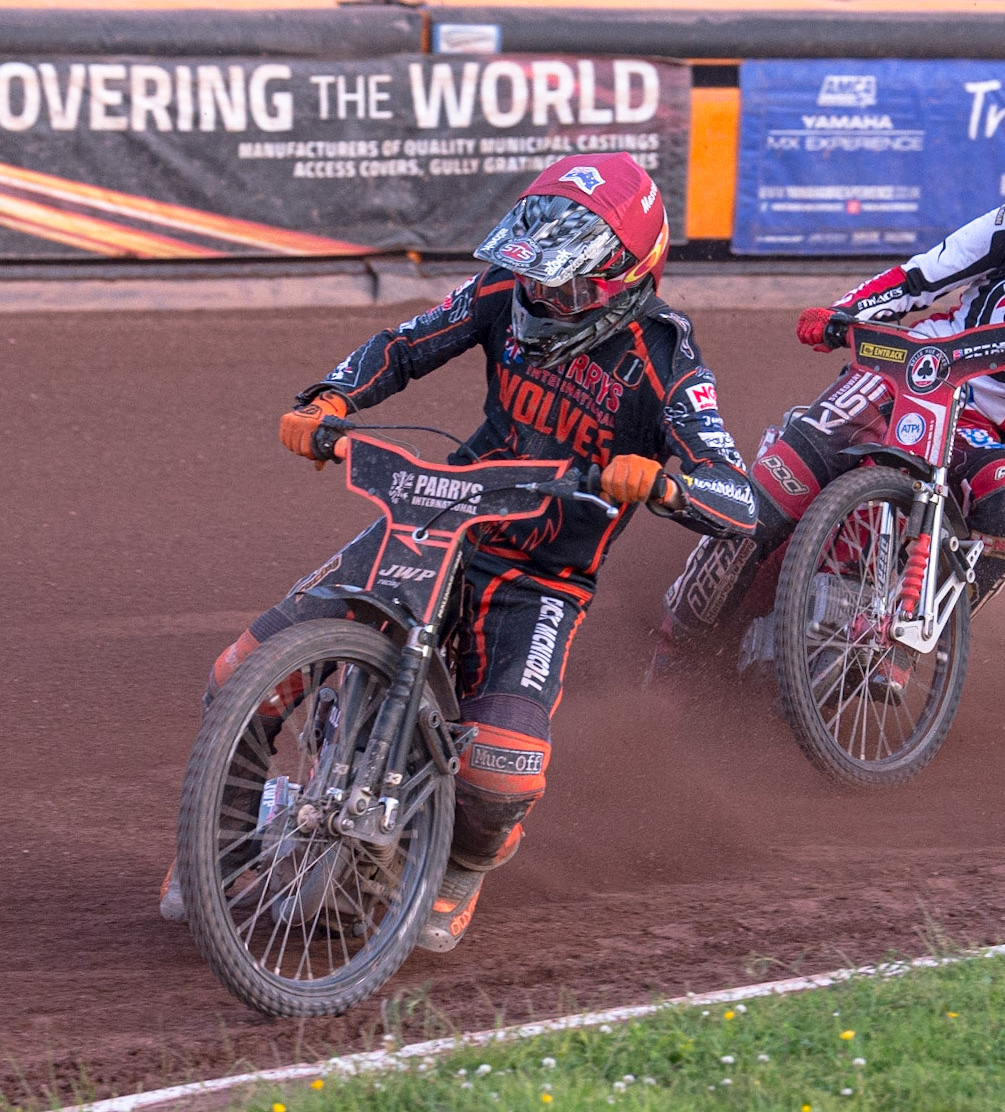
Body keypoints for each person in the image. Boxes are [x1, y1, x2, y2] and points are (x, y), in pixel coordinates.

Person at [160, 153, 757, 950]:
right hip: (437, 517)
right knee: (242, 673)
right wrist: (329, 399)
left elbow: (738, 500)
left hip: (540, 576)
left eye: (565, 282)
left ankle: (460, 866)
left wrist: (663, 484)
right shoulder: (503, 292)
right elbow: (405, 344)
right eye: (536, 271)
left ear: (622, 279)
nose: (541, 293)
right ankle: (222, 836)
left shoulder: (666, 360)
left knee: (499, 771)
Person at [658, 130, 1005, 688]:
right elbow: (918, 279)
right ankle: (671, 641)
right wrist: (842, 313)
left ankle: (903, 637)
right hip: (906, 371)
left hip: (972, 426)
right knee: (775, 491)